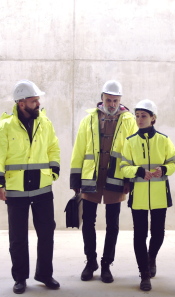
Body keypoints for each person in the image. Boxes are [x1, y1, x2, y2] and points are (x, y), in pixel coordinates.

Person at [0, 80, 61, 294]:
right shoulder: (4, 127)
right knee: (18, 237)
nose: (38, 104)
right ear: (21, 104)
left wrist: (54, 170)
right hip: (16, 190)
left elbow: (53, 148)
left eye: (38, 100)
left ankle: (45, 274)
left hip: (43, 188)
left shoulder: (45, 123)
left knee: (47, 233)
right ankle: (20, 278)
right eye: (33, 100)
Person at [70, 80, 137, 283]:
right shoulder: (89, 119)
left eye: (115, 100)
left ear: (120, 100)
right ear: (102, 98)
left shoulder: (129, 120)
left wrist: (130, 179)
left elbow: (132, 151)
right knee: (88, 222)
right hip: (91, 178)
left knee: (112, 224)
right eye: (108, 100)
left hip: (116, 177)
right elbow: (79, 149)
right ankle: (91, 262)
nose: (111, 104)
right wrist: (75, 178)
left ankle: (107, 264)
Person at [121, 99, 175, 291]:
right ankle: (144, 274)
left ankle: (151, 257)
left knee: (158, 233)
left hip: (160, 195)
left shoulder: (164, 140)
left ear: (153, 118)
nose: (139, 119)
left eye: (143, 116)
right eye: (137, 116)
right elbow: (124, 168)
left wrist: (164, 169)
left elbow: (174, 163)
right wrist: (137, 171)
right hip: (138, 197)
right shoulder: (130, 142)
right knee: (140, 234)